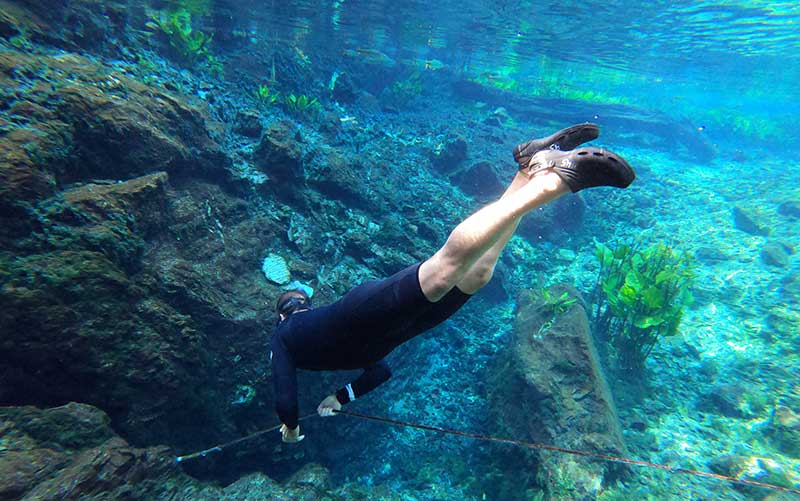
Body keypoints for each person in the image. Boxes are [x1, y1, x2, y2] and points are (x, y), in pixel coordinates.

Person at [270, 123, 635, 442]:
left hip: (363, 313)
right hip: (395, 328)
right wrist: (341, 397)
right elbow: (380, 370)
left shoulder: (284, 336)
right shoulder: (302, 333)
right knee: (479, 273)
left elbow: (285, 399)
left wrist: (290, 428)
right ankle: (528, 167)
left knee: (446, 268)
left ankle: (554, 181)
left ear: (283, 316)